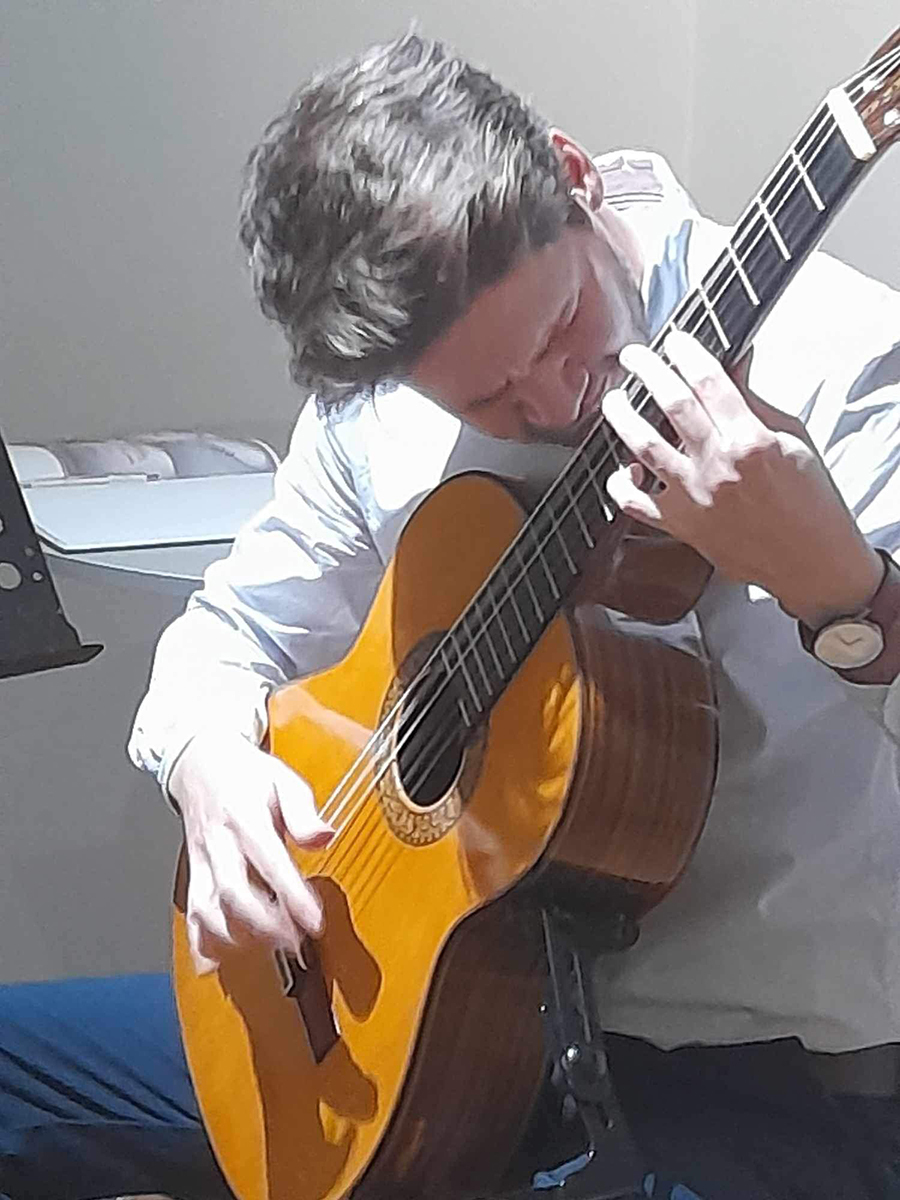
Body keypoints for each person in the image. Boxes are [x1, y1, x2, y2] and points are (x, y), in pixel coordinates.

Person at [3, 31, 900, 1200]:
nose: (554, 397)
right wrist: (204, 764)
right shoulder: (382, 401)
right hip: (429, 1013)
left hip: (761, 1083)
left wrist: (843, 593)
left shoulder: (847, 364)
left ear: (574, 178)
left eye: (563, 325)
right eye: (486, 397)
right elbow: (233, 631)